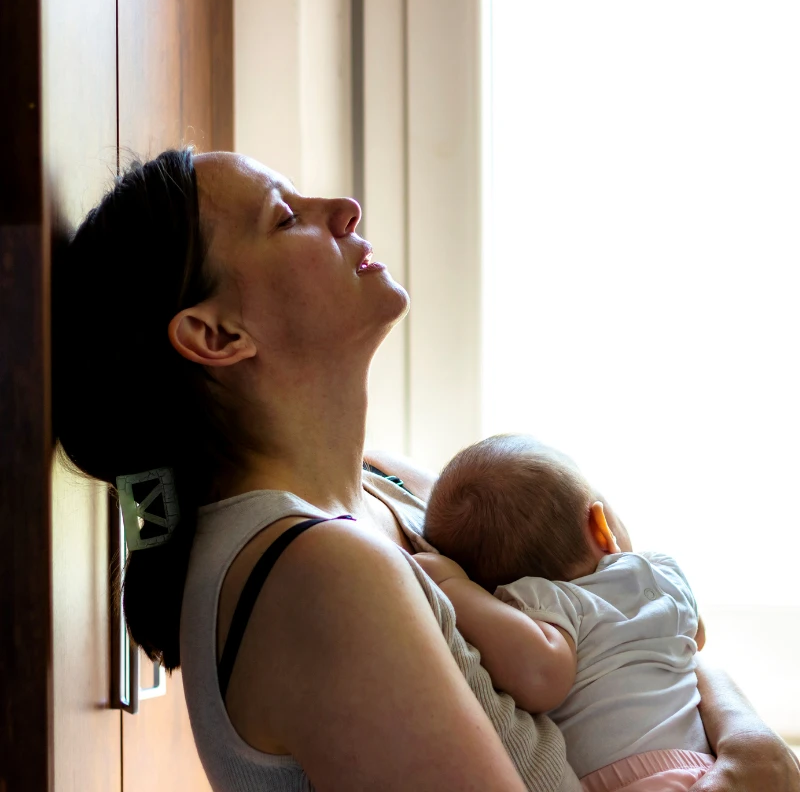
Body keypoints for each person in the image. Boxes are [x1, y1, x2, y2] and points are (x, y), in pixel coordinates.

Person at [51, 148, 800, 792]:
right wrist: (748, 754)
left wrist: (751, 739)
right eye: (286, 216)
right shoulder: (318, 570)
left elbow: (627, 621)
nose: (343, 208)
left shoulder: (391, 488)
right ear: (217, 335)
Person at [420, 434, 716, 790]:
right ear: (601, 527)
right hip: (702, 763)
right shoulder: (659, 571)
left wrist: (452, 585)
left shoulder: (544, 603)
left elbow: (542, 679)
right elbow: (695, 636)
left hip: (635, 781)